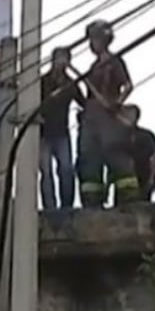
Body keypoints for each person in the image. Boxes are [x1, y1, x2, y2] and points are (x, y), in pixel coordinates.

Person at [76, 19, 139, 208]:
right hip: (92, 117)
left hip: (109, 117)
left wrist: (117, 103)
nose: (91, 44)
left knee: (115, 153)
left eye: (94, 39)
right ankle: (92, 200)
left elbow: (128, 85)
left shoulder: (115, 62)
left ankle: (127, 197)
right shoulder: (93, 67)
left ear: (104, 40)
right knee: (90, 157)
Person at [39, 47, 86, 209]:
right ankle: (50, 207)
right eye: (59, 59)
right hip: (43, 133)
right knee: (46, 172)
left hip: (62, 133)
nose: (61, 63)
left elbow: (83, 103)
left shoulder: (70, 84)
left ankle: (66, 206)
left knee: (66, 169)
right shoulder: (42, 82)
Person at [122, 104, 155, 201]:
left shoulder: (146, 136)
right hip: (123, 182)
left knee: (142, 205)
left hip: (142, 180)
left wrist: (152, 178)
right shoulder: (117, 136)